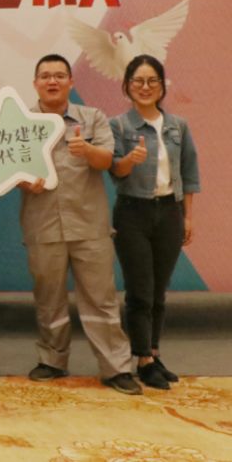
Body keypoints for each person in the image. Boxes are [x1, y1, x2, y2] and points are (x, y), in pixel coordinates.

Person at [18, 54, 141, 395]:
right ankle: (52, 360)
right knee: (49, 298)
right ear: (35, 83)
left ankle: (116, 368)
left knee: (101, 299)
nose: (52, 81)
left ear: (71, 82)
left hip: (89, 224)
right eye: (45, 76)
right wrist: (23, 181)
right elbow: (8, 168)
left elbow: (106, 161)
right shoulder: (23, 122)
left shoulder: (92, 117)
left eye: (59, 75)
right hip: (42, 223)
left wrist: (86, 149)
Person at [109, 55, 200, 389]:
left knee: (159, 290)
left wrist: (188, 216)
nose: (145, 87)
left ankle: (154, 352)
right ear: (127, 86)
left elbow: (189, 172)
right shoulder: (119, 126)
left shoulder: (178, 125)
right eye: (138, 81)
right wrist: (129, 161)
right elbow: (114, 171)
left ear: (162, 86)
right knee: (140, 290)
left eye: (152, 81)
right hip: (132, 212)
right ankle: (143, 358)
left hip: (170, 211)